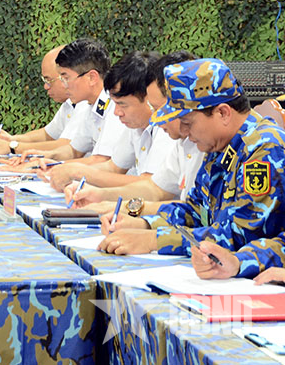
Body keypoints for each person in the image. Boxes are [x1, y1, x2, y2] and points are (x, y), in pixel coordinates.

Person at [98, 59, 285, 279]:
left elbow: (242, 234)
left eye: (187, 123)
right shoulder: (220, 146)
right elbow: (197, 211)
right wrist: (144, 224)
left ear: (223, 113)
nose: (184, 132)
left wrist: (155, 240)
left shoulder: (264, 150)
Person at [67, 52, 202, 213]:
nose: (157, 118)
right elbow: (156, 189)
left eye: (158, 109)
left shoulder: (196, 139)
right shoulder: (183, 140)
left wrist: (119, 208)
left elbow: (193, 213)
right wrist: (101, 196)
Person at [45, 51, 169, 191]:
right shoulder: (136, 125)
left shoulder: (167, 127)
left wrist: (78, 172)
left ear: (149, 98)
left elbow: (149, 185)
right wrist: (62, 168)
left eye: (123, 105)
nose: (117, 112)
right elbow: (113, 167)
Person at [0, 45, 82, 155]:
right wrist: (11, 139)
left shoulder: (85, 103)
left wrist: (13, 147)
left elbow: (68, 146)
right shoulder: (69, 104)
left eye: (49, 80)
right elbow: (48, 134)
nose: (46, 86)